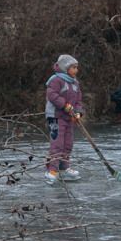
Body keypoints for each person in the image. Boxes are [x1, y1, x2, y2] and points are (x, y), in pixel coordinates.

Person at [45, 54, 84, 185]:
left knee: (68, 144)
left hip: (68, 118)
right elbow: (52, 95)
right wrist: (64, 105)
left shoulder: (75, 83)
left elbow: (78, 101)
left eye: (76, 67)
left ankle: (64, 168)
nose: (76, 70)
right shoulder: (56, 80)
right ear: (65, 68)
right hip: (55, 117)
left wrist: (78, 112)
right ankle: (52, 170)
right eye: (73, 67)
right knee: (57, 144)